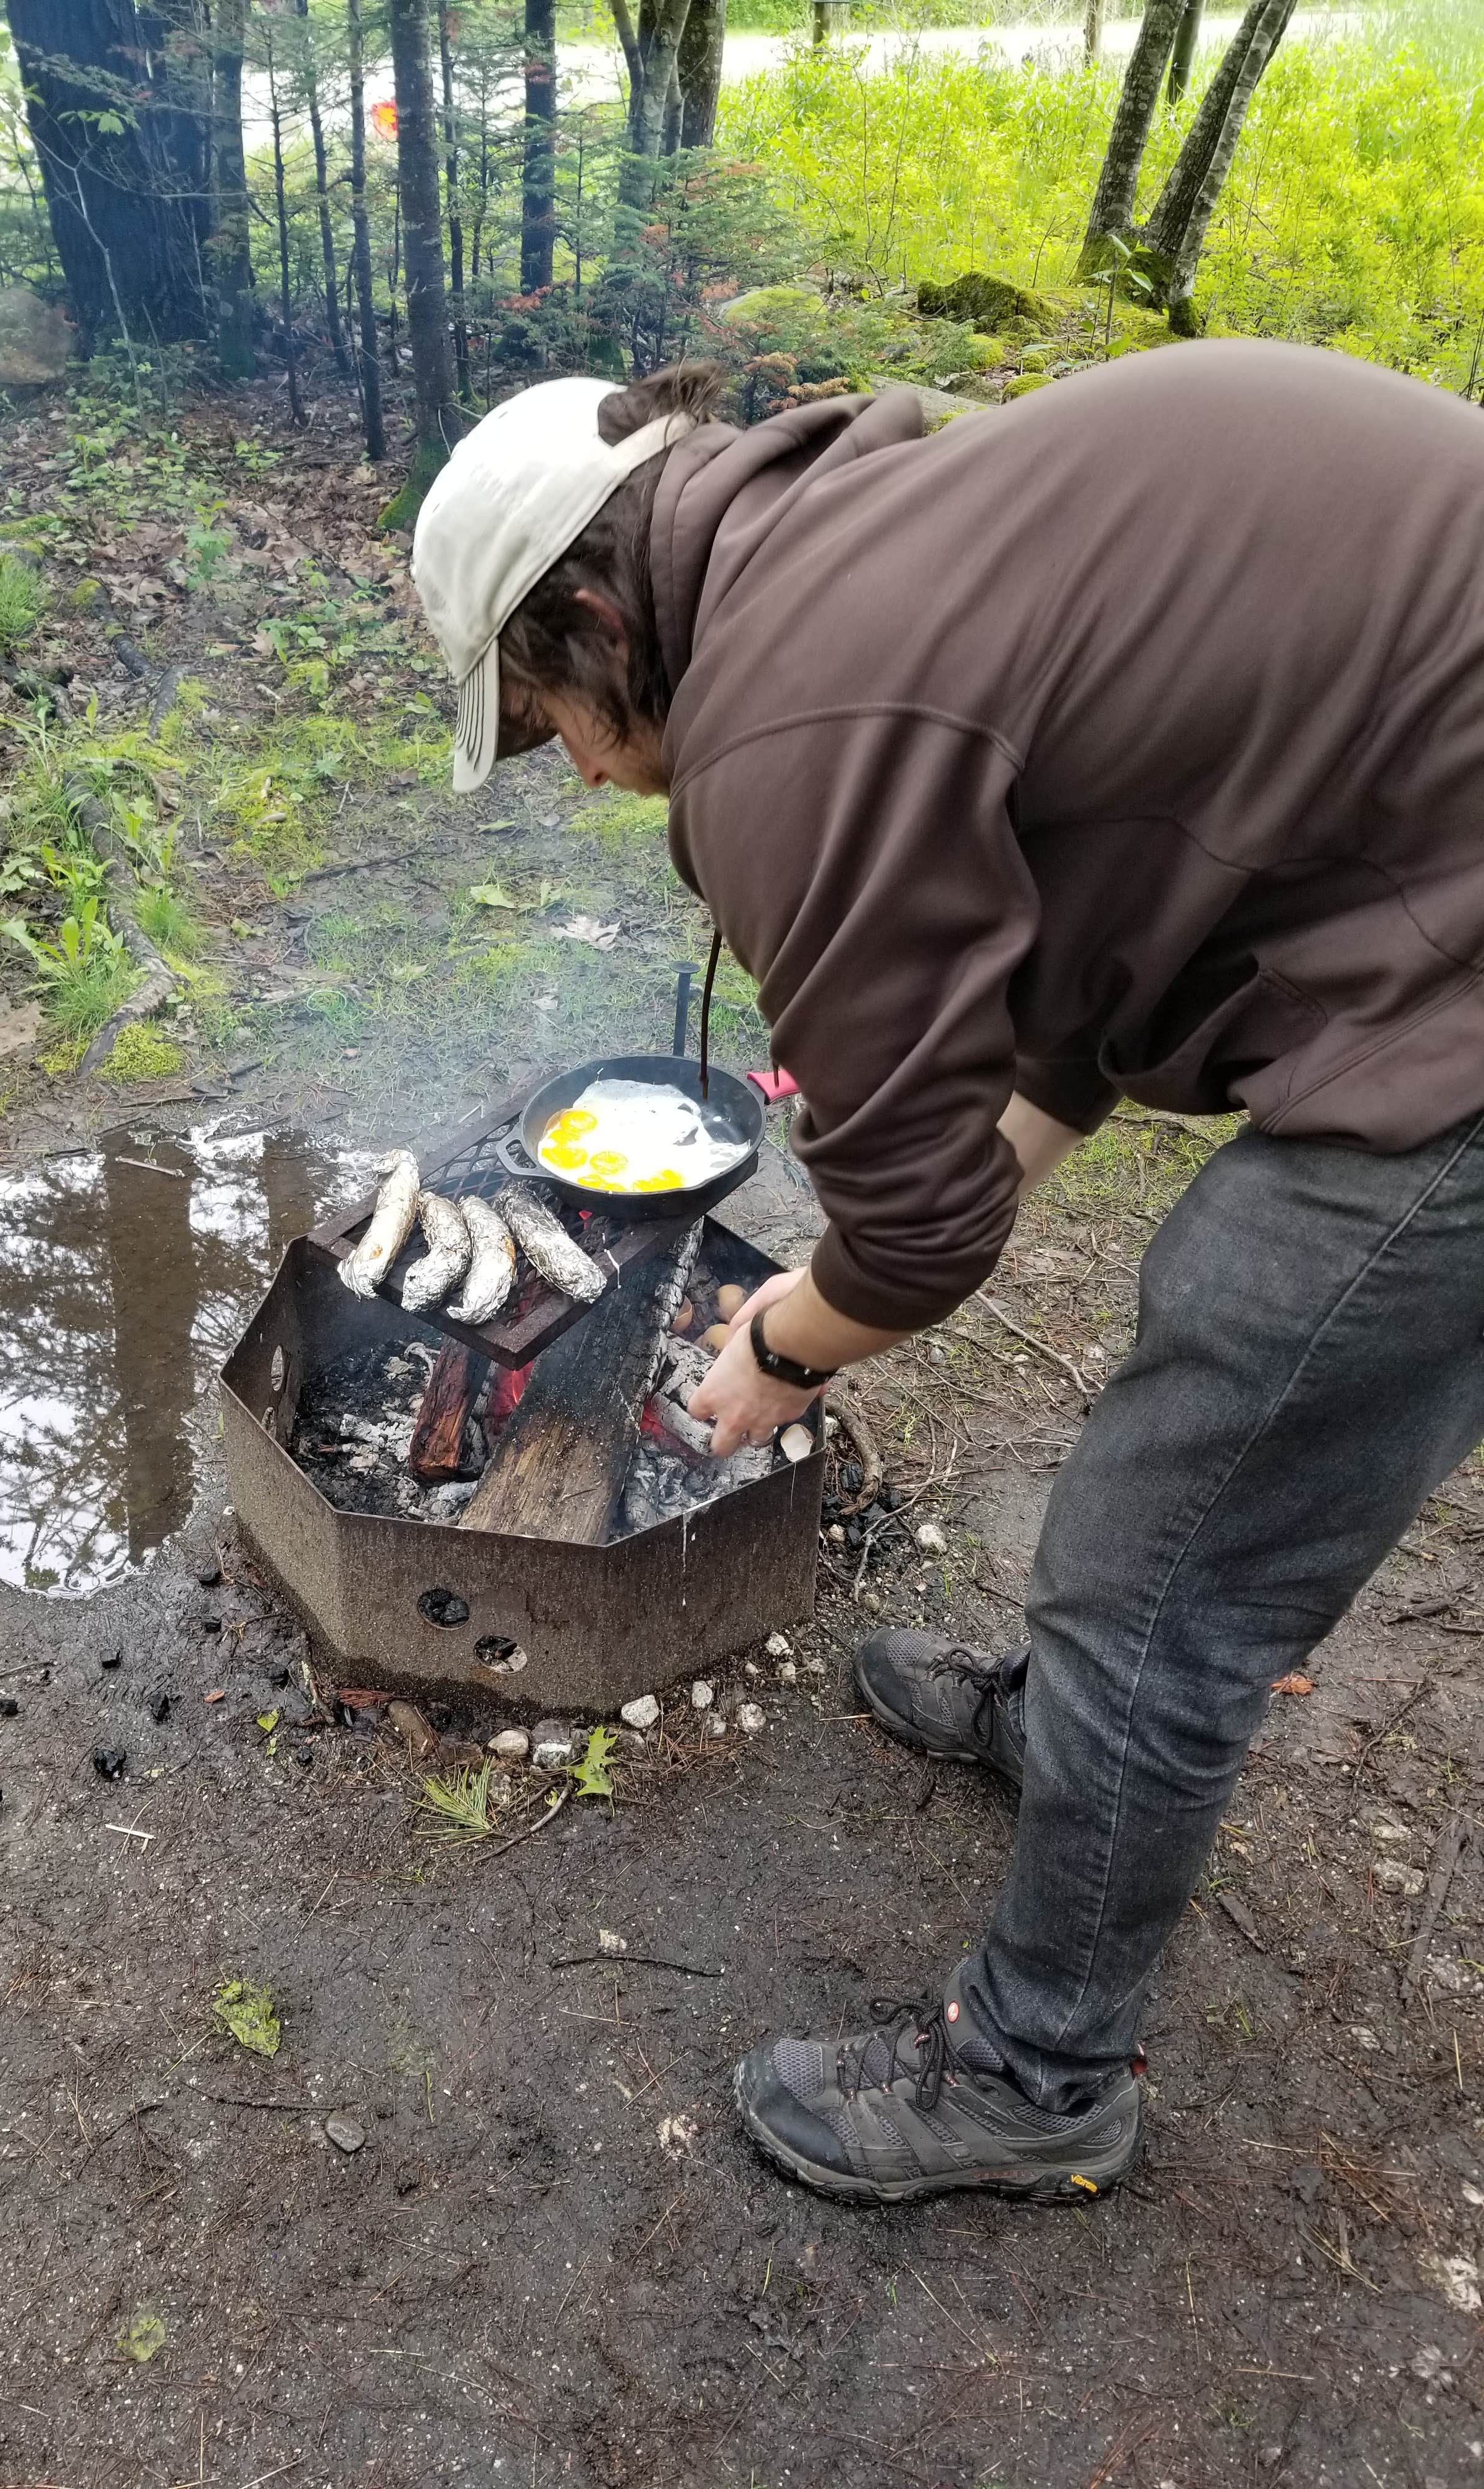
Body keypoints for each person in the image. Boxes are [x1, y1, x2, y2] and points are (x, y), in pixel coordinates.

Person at [407, 344, 1484, 2207]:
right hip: (1423, 852)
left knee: (1170, 1543)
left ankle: (1042, 2074)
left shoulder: (785, 726)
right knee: (1185, 1473)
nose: (577, 774)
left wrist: (792, 1347)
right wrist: (902, 1240)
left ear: (597, 615)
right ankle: (1077, 1737)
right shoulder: (850, 547)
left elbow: (918, 1234)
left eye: (546, 723)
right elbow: (1084, 951)